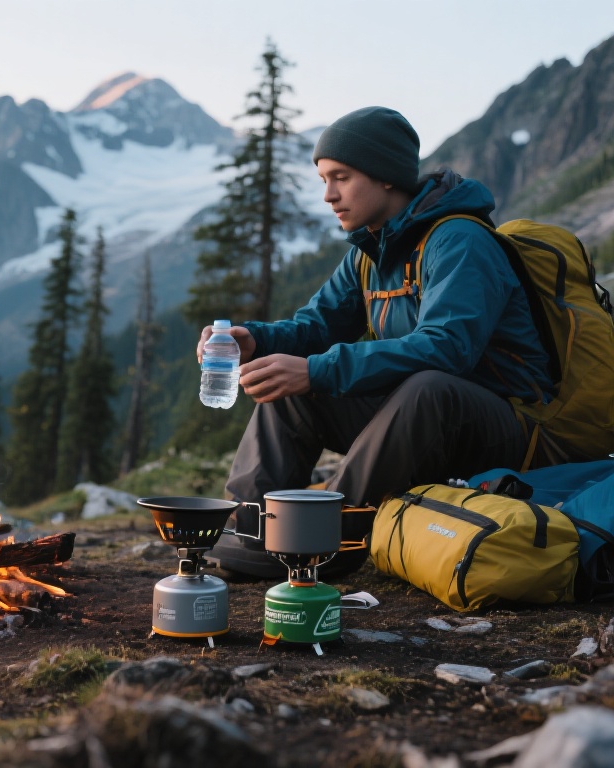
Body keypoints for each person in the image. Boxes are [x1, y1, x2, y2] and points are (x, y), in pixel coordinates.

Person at [200, 106, 556, 575]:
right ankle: (251, 529)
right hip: (421, 428)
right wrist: (255, 340)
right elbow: (315, 328)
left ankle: (327, 537)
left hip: (511, 430)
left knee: (427, 386)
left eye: (341, 177)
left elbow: (448, 347)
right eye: (324, 179)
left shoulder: (460, 241)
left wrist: (317, 370)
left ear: (386, 176)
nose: (328, 195)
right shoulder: (370, 252)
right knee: (288, 390)